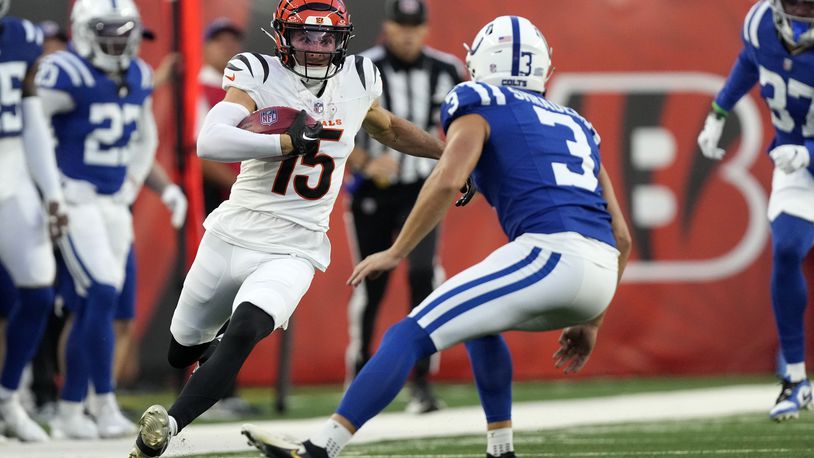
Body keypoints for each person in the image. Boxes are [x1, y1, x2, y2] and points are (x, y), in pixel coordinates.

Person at [241, 15, 632, 458]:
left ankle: (319, 448)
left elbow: (447, 179)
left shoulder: (478, 97)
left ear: (480, 62)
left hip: (549, 254)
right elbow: (621, 236)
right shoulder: (576, 123)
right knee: (483, 324)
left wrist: (396, 250)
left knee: (406, 335)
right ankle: (500, 450)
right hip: (600, 273)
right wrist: (593, 319)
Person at [127, 0, 472, 456]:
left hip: (297, 244)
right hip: (232, 233)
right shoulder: (259, 74)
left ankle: (167, 426)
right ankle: (206, 359)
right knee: (182, 350)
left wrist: (445, 155)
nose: (315, 47)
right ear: (282, 37)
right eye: (304, 37)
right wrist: (285, 142)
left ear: (341, 41)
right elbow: (211, 140)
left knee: (248, 326)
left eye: (326, 38)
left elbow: (387, 127)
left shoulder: (356, 79)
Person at [35, 0, 158, 439]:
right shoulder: (62, 71)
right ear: (83, 30)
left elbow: (147, 136)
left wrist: (133, 182)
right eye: (106, 30)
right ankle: (78, 407)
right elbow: (31, 128)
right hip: (74, 199)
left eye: (124, 30)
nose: (117, 39)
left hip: (112, 203)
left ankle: (90, 406)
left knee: (102, 302)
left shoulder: (139, 73)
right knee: (102, 291)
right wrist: (50, 190)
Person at [343, 0, 465, 413]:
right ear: (388, 27)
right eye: (401, 24)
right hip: (372, 192)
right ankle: (359, 377)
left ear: (426, 29)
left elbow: (461, 130)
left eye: (416, 25)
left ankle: (422, 382)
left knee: (422, 276)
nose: (408, 33)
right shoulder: (360, 68)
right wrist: (363, 161)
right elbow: (331, 124)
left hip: (422, 188)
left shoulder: (446, 69)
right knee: (371, 283)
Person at [696, 0, 814, 422]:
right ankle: (797, 380)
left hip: (803, 155)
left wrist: (809, 152)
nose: (801, 12)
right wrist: (719, 110)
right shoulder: (761, 21)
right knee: (785, 251)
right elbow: (751, 59)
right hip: (795, 161)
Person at [0, 0, 69, 443]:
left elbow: (30, 117)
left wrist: (52, 192)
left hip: (11, 176)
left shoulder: (21, 36)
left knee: (40, 289)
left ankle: (8, 399)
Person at [198, 18, 244, 216]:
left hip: (240, 191)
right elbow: (199, 153)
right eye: (219, 41)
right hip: (215, 193)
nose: (227, 47)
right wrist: (240, 187)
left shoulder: (245, 89)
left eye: (232, 41)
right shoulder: (197, 90)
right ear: (205, 47)